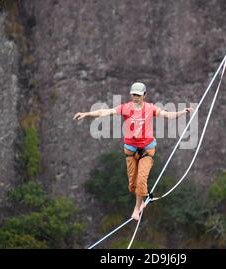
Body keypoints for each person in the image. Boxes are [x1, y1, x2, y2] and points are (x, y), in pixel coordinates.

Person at [74, 82, 192, 220]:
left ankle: (137, 208)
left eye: (139, 95)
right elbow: (105, 112)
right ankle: (143, 196)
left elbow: (167, 115)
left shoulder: (150, 108)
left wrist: (182, 113)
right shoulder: (125, 108)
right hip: (130, 149)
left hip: (147, 148)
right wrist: (87, 114)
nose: (136, 97)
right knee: (133, 185)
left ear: (144, 95)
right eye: (134, 94)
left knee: (141, 179)